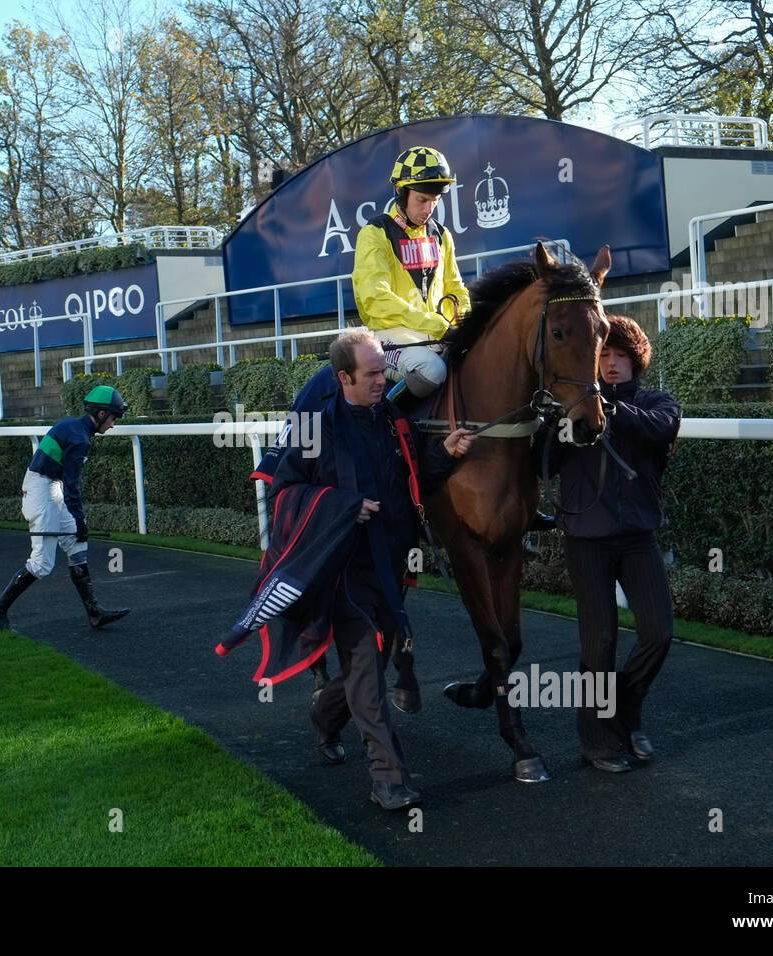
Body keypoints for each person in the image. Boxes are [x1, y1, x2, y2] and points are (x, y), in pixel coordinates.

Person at [221, 328, 475, 810]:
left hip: (391, 568)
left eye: (385, 370)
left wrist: (444, 453)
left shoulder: (393, 419)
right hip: (342, 571)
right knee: (367, 669)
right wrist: (342, 507)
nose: (385, 380)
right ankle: (389, 778)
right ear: (343, 377)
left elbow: (411, 477)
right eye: (374, 373)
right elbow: (283, 495)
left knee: (374, 664)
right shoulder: (317, 428)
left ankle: (325, 711)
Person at [542, 315, 681, 773]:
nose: (613, 364)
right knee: (598, 643)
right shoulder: (571, 409)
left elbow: (660, 428)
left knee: (659, 633)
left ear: (635, 360)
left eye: (621, 356)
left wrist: (609, 409)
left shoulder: (655, 402)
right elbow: (540, 463)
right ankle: (598, 741)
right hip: (587, 541)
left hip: (638, 537)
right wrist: (556, 419)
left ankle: (624, 708)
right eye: (605, 356)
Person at [0, 385, 130, 631]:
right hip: (44, 490)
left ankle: (95, 613)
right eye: (114, 418)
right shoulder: (80, 438)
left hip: (47, 485)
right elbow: (72, 487)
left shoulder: (71, 426)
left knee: (76, 542)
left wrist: (78, 525)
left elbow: (64, 483)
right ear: (102, 414)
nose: (113, 425)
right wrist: (81, 521)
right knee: (42, 564)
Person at [351, 145, 472, 407]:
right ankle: (386, 422)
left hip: (436, 332)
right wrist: (435, 324)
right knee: (433, 370)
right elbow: (376, 299)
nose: (429, 208)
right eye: (422, 200)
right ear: (400, 191)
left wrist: (464, 321)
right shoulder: (374, 233)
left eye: (435, 201)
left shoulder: (441, 235)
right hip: (389, 335)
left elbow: (456, 287)